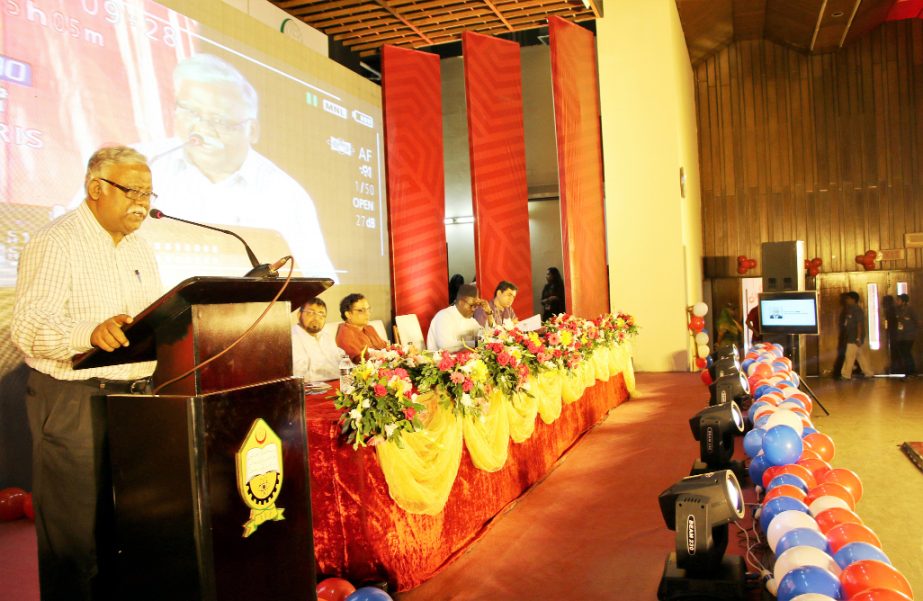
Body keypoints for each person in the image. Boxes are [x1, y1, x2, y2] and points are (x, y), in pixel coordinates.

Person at [10, 146, 164, 600]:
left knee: (129, 532)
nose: (143, 202)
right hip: (74, 401)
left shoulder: (141, 248)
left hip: (137, 400)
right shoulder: (56, 241)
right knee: (75, 542)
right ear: (97, 189)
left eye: (148, 192)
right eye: (133, 191)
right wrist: (88, 333)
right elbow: (28, 328)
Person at [142, 53, 336, 280]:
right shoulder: (144, 164)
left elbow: (319, 277)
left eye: (219, 120)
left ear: (252, 130)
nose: (201, 129)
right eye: (191, 112)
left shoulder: (286, 194)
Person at [427, 284, 490, 352]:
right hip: (440, 361)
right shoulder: (443, 316)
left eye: (475, 306)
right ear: (461, 302)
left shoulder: (470, 319)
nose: (473, 309)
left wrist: (489, 314)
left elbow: (485, 336)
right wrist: (475, 343)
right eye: (472, 305)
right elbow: (446, 346)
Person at [292, 298, 340, 382]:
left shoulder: (326, 337)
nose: (316, 318)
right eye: (311, 313)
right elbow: (301, 374)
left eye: (321, 314)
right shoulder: (292, 338)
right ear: (299, 315)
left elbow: (340, 358)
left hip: (335, 383)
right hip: (311, 389)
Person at [335, 293, 387, 363]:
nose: (368, 313)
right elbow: (358, 360)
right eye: (361, 310)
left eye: (368, 309)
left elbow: (385, 346)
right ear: (348, 314)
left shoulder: (369, 328)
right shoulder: (345, 334)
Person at [840, 291, 875, 380]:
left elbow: (859, 324)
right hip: (850, 336)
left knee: (849, 355)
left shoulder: (857, 310)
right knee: (860, 355)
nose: (846, 300)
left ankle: (846, 374)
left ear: (853, 300)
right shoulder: (849, 309)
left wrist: (858, 337)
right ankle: (868, 372)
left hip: (854, 337)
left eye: (848, 298)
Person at [895, 293, 918, 379]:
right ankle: (909, 371)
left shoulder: (910, 310)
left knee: (906, 353)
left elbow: (917, 322)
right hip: (901, 336)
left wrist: (913, 331)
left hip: (909, 336)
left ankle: (911, 371)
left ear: (904, 302)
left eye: (899, 300)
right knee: (904, 354)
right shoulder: (897, 310)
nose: (897, 302)